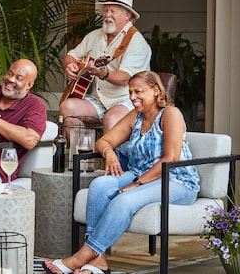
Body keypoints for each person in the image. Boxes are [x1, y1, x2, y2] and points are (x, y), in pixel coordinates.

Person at [43, 71, 199, 274]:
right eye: (130, 92)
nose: (132, 97)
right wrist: (110, 153)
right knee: (100, 184)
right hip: (140, 173)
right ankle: (99, 259)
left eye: (138, 91)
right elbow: (104, 141)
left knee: (123, 200)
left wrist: (136, 184)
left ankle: (82, 256)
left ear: (155, 90)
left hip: (176, 180)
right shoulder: (137, 116)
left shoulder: (171, 114)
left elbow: (170, 159)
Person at [59, 0, 151, 133]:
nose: (107, 15)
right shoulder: (95, 36)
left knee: (111, 118)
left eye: (113, 11)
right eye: (106, 11)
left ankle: (110, 156)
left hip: (128, 99)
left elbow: (126, 77)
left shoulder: (136, 41)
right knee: (67, 108)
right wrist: (70, 65)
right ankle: (80, 154)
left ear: (127, 15)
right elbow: (72, 55)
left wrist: (104, 74)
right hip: (99, 99)